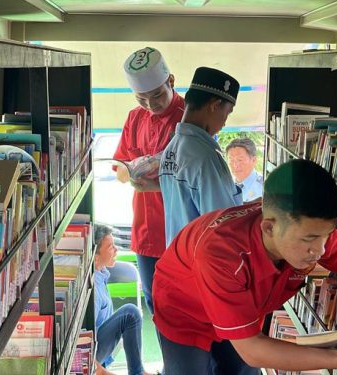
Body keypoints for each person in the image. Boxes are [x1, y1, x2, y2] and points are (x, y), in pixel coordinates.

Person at [152, 159, 337, 374]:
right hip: (184, 312)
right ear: (269, 227)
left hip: (244, 313)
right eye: (310, 240)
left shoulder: (310, 227)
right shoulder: (222, 254)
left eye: (327, 236)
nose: (321, 250)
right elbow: (253, 350)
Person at [113, 47, 185, 314]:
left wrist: (157, 183)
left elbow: (200, 179)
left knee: (185, 304)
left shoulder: (190, 117)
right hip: (146, 229)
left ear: (171, 81)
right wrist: (130, 174)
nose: (151, 105)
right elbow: (119, 166)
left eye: (157, 95)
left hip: (181, 228)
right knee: (154, 301)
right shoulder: (135, 117)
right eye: (142, 98)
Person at [159, 66, 243, 246]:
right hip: (203, 264)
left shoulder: (170, 150)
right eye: (227, 113)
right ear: (215, 106)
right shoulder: (206, 157)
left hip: (178, 260)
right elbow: (222, 228)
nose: (225, 123)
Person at [93, 224, 156, 375]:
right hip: (90, 356)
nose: (116, 250)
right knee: (130, 313)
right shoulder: (93, 290)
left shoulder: (101, 272)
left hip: (100, 344)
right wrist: (102, 372)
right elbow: (80, 344)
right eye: (111, 247)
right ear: (95, 257)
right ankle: (137, 372)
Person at [226, 137, 264, 202]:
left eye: (240, 160)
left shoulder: (264, 187)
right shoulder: (226, 187)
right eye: (231, 160)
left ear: (253, 160)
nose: (235, 165)